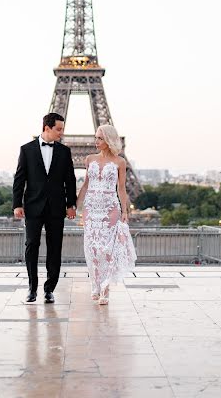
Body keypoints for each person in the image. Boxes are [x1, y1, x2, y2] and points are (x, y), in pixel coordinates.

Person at [13, 113, 77, 304]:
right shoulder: (26, 150)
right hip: (33, 206)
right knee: (31, 246)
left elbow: (70, 180)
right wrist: (17, 204)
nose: (61, 133)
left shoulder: (64, 151)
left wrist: (71, 204)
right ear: (46, 128)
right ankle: (32, 288)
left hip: (56, 208)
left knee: (55, 248)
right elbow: (19, 179)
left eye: (62, 129)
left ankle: (49, 289)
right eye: (59, 129)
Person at [77, 124, 137, 305]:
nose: (96, 141)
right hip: (91, 207)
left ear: (109, 140)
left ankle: (105, 288)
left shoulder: (120, 162)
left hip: (110, 208)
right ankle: (95, 285)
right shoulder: (89, 159)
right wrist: (74, 206)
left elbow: (121, 189)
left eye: (100, 138)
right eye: (96, 137)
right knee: (91, 249)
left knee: (107, 250)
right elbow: (86, 185)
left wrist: (124, 210)